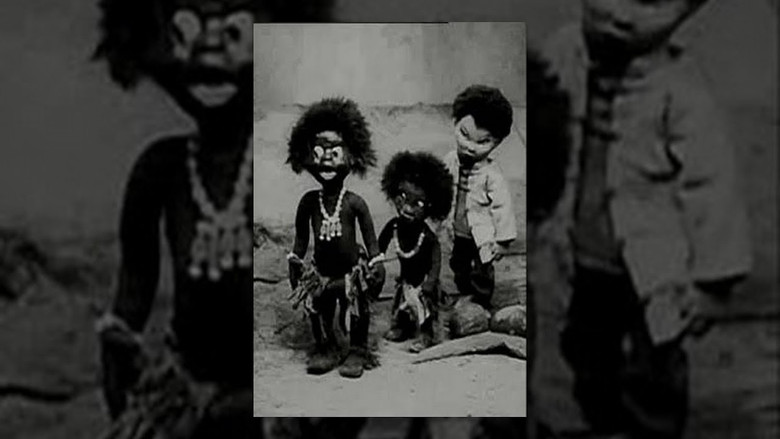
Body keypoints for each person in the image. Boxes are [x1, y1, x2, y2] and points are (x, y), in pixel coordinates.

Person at [93, 1, 334, 438]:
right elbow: (131, 299)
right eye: (185, 32)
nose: (208, 56)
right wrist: (125, 379)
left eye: (234, 33)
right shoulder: (160, 169)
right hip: (187, 404)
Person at [539, 1, 752, 437]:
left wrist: (714, 280)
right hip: (581, 248)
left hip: (654, 263)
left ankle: (651, 429)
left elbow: (711, 183)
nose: (624, 16)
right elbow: (537, 121)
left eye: (651, 3)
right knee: (584, 347)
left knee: (655, 359)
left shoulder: (680, 89)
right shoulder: (564, 53)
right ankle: (601, 421)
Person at [286, 97, 385, 378]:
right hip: (322, 274)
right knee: (318, 307)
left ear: (353, 156)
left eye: (336, 151)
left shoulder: (355, 203)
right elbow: (300, 241)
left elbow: (371, 241)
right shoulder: (308, 202)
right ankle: (325, 347)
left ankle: (358, 350)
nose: (327, 159)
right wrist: (295, 262)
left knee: (357, 309)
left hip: (352, 274)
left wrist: (377, 263)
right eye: (319, 150)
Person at [443, 85, 517, 312]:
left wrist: (503, 241)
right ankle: (465, 293)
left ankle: (481, 301)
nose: (470, 147)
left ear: (497, 142)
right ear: (455, 122)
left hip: (481, 232)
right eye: (464, 135)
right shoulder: (450, 160)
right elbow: (439, 183)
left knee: (482, 267)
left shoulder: (492, 175)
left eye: (483, 142)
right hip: (458, 227)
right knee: (458, 263)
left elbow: (503, 207)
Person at [375, 151, 453, 352]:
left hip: (424, 283)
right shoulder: (393, 226)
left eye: (418, 204)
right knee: (402, 307)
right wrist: (374, 260)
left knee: (424, 311)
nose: (408, 209)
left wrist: (431, 282)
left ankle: (427, 336)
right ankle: (402, 328)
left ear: (431, 207)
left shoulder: (428, 237)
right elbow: (378, 247)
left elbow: (436, 260)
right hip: (405, 281)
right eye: (403, 198)